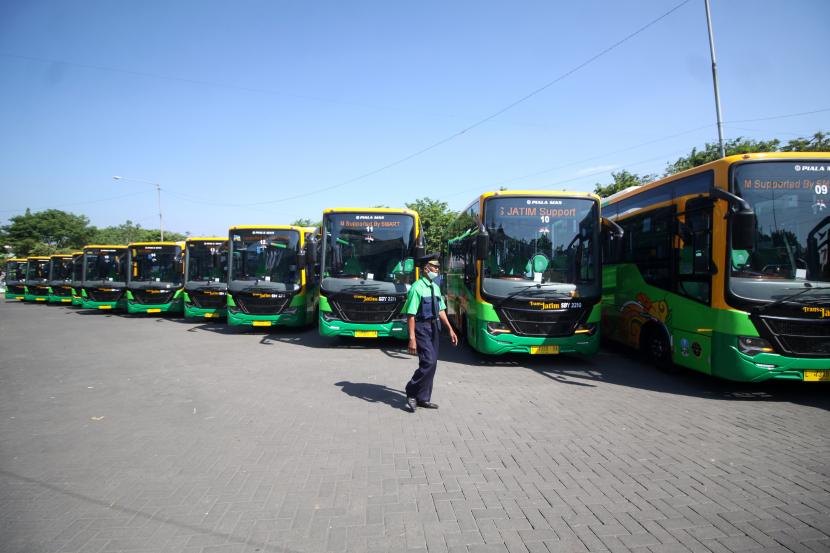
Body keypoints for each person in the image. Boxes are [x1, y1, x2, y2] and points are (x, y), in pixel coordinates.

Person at [402, 254, 458, 412]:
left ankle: (423, 398)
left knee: (432, 364)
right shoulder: (416, 287)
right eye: (434, 267)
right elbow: (411, 315)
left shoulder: (435, 287)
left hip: (434, 328)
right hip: (421, 328)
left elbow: (441, 310)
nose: (437, 270)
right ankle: (411, 392)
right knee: (429, 362)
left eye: (438, 267)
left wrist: (450, 329)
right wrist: (412, 338)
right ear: (426, 268)